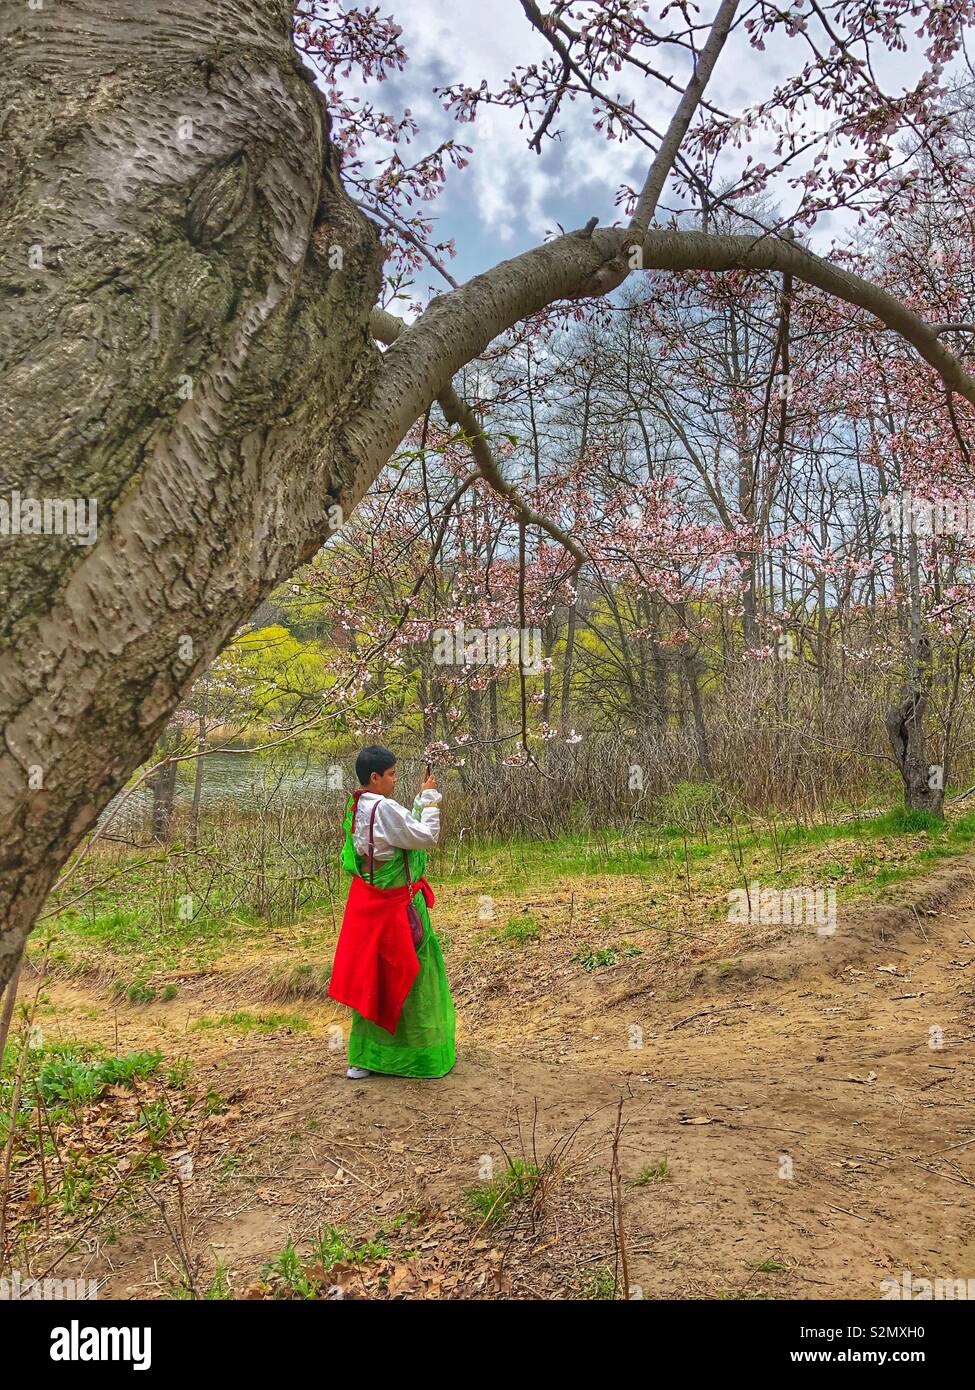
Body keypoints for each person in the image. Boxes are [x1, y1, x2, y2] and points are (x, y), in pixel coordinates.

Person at [328, 745, 456, 1079]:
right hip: (397, 909)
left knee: (375, 979)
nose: (395, 780)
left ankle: (365, 1058)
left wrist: (415, 802)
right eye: (392, 774)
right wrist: (429, 799)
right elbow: (426, 836)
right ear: (375, 777)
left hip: (370, 905)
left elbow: (398, 833)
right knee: (412, 979)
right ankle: (418, 1057)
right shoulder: (384, 808)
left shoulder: (357, 805)